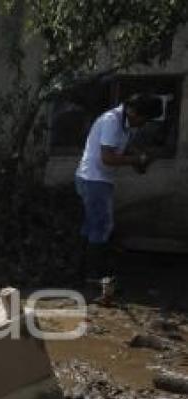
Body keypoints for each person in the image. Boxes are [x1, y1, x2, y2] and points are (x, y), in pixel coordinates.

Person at [75, 93, 160, 283]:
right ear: (132, 111)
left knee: (92, 226)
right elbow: (108, 158)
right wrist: (136, 159)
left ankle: (82, 270)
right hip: (93, 179)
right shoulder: (111, 121)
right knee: (101, 226)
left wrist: (139, 156)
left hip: (96, 178)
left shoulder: (126, 123)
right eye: (143, 119)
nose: (142, 124)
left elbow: (122, 149)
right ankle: (93, 275)